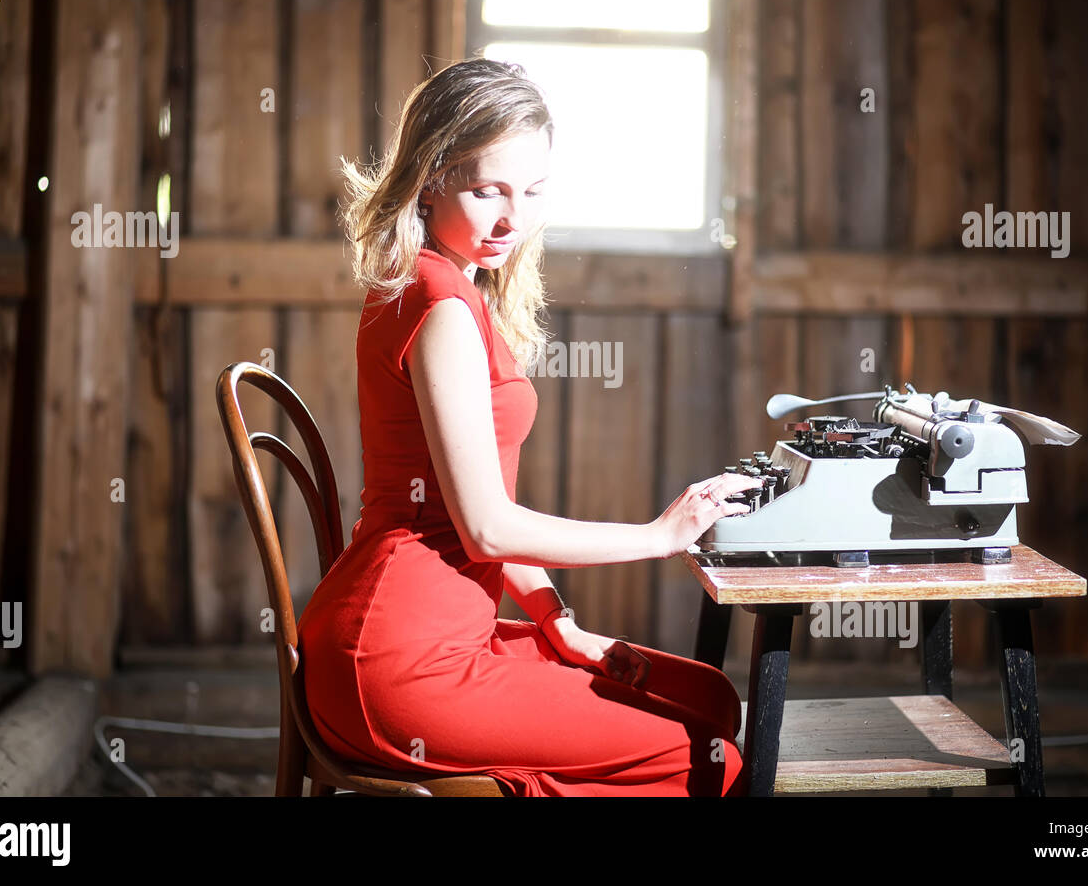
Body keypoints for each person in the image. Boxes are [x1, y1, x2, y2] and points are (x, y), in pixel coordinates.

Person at [297, 57, 763, 796]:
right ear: (430, 178)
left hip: (439, 631)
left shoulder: (447, 286)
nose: (514, 218)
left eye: (533, 191)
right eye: (488, 191)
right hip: (400, 662)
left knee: (713, 701)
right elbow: (485, 529)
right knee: (714, 758)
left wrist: (557, 621)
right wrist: (658, 535)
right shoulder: (440, 305)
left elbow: (481, 517)